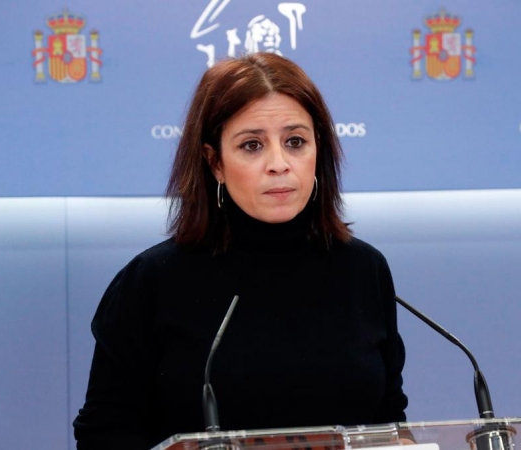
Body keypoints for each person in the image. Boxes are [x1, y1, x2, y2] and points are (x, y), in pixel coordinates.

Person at [73, 53, 407, 450]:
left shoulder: (364, 270)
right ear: (214, 162)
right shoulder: (152, 281)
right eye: (252, 145)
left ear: (319, 150)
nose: (279, 164)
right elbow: (105, 432)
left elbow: (388, 424)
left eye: (296, 142)